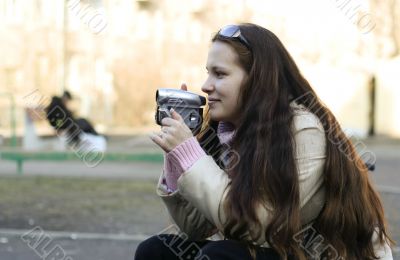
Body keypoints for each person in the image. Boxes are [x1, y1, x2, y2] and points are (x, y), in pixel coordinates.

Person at [136, 24, 394, 259]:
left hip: (320, 254)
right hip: (276, 250)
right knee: (156, 251)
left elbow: (261, 226)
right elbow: (194, 227)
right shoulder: (228, 131)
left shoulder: (303, 130)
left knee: (222, 255)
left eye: (220, 74)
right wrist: (176, 158)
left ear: (257, 79)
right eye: (207, 73)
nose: (205, 86)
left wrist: (191, 156)